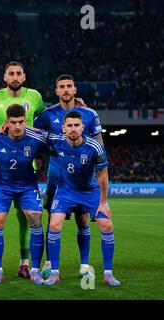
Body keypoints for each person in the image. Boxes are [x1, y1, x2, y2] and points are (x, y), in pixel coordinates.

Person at [33, 74, 104, 279]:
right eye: (61, 87)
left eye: (69, 86)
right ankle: (49, 261)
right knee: (53, 218)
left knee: (82, 219)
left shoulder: (89, 114)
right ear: (56, 91)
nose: (65, 90)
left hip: (82, 175)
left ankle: (84, 265)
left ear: (75, 90)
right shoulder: (47, 115)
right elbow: (37, 136)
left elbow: (99, 142)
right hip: (56, 173)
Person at [42, 111, 120, 286]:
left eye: (77, 125)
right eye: (69, 125)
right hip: (65, 191)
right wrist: (6, 127)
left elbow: (103, 175)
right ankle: (54, 273)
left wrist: (104, 202)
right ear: (63, 128)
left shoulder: (95, 146)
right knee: (54, 224)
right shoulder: (56, 140)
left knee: (107, 224)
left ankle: (108, 274)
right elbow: (32, 131)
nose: (73, 129)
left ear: (83, 127)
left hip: (89, 191)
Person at [0, 61, 45, 279]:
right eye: (11, 73)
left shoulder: (35, 96)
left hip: (26, 164)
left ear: (24, 76)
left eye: (19, 73)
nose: (15, 76)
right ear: (5, 77)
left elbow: (46, 124)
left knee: (26, 217)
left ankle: (24, 263)